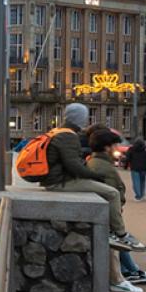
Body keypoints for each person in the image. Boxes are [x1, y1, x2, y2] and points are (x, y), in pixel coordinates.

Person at [40, 103, 146, 253]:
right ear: (79, 118)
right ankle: (121, 234)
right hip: (59, 182)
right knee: (112, 193)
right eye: (84, 117)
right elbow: (74, 166)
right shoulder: (68, 136)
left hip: (55, 179)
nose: (86, 121)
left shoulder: (59, 131)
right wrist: (96, 175)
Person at [85, 126, 146, 292]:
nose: (118, 149)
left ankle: (124, 274)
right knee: (115, 245)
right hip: (108, 216)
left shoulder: (97, 162)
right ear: (107, 147)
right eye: (115, 145)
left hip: (107, 214)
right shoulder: (103, 167)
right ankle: (118, 280)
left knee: (115, 246)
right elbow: (112, 193)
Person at [127, 137, 146, 201]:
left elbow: (128, 158)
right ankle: (142, 194)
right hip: (144, 168)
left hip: (134, 168)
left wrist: (125, 166)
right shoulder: (144, 149)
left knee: (136, 182)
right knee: (142, 182)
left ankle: (138, 196)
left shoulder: (131, 149)